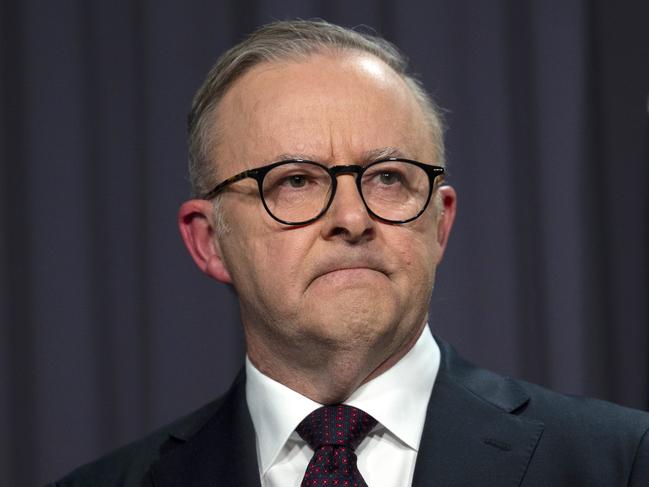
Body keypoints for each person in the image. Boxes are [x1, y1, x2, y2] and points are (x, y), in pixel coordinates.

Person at [50, 19, 648, 487]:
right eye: (294, 181)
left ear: (439, 224)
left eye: (388, 177)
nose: (352, 219)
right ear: (209, 242)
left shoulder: (621, 463)